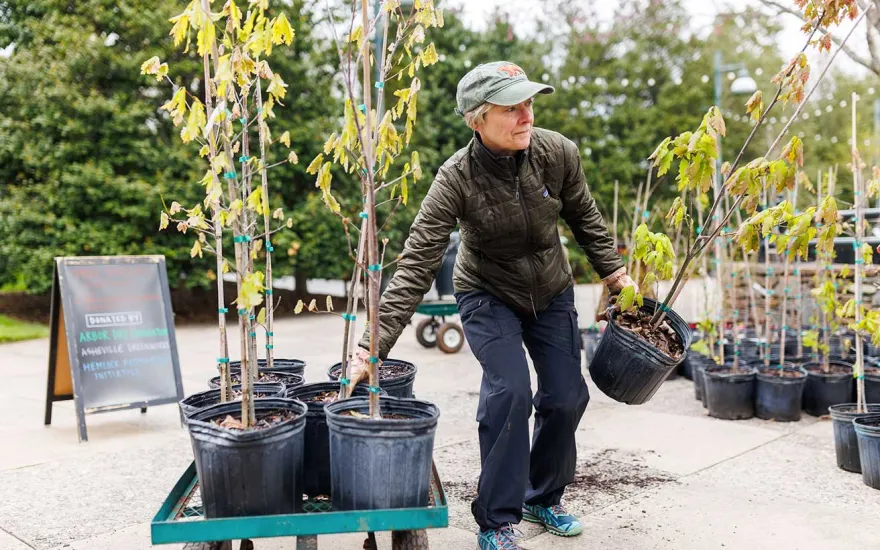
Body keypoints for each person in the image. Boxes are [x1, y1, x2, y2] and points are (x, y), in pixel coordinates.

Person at [347, 61, 637, 550]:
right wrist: (370, 345)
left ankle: (543, 496)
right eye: (512, 108)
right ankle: (496, 519)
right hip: (487, 292)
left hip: (550, 286)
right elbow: (417, 262)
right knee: (510, 394)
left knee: (567, 396)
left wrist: (615, 273)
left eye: (529, 103)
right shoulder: (455, 178)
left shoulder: (556, 151)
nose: (526, 115)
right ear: (477, 119)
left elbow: (585, 214)